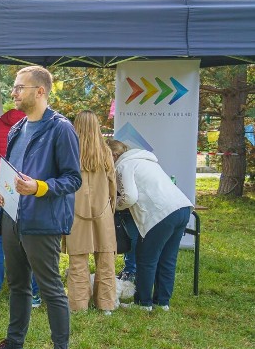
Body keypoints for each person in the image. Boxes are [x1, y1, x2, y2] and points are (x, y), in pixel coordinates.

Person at [0, 66, 81, 349]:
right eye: (14, 87)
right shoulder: (16, 129)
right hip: (11, 216)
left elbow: (73, 179)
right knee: (17, 284)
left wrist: (38, 187)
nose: (14, 92)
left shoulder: (61, 129)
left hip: (43, 221)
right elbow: (13, 173)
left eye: (20, 87)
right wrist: (1, 193)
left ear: (40, 92)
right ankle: (14, 345)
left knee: (50, 290)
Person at [107, 140, 192, 311]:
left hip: (160, 214)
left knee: (146, 258)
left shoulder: (123, 166)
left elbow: (130, 197)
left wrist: (113, 205)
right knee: (168, 259)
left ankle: (143, 303)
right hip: (182, 208)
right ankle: (162, 302)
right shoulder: (145, 160)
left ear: (114, 155)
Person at [0, 108, 41, 307]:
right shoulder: (35, 127)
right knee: (30, 243)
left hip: (0, 192)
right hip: (28, 191)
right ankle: (33, 294)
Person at [63, 111, 117, 314]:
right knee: (105, 260)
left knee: (78, 260)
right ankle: (106, 305)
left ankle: (78, 305)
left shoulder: (69, 151)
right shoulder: (105, 151)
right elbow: (112, 184)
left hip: (75, 212)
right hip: (102, 211)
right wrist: (110, 207)